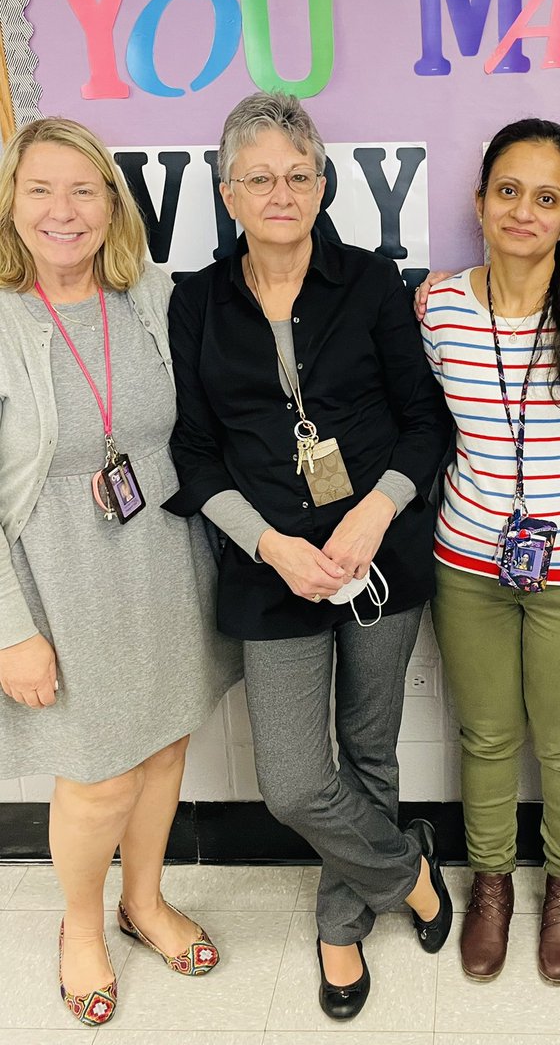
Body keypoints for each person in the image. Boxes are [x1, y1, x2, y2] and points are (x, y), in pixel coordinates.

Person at [163, 91, 453, 1021]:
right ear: (227, 191)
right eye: (258, 177)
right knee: (292, 780)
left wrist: (373, 515)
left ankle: (340, 921)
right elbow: (195, 452)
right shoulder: (197, 301)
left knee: (368, 747)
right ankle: (406, 872)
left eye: (298, 174)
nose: (280, 191)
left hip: (382, 559)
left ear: (323, 185)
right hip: (271, 570)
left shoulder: (372, 283)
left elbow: (425, 425)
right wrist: (271, 545)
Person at [0, 117, 242, 1027]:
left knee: (166, 743)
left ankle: (144, 903)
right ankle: (81, 927)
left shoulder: (151, 295)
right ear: (12, 204)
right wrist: (9, 630)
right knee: (98, 774)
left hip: (160, 560)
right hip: (57, 580)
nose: (63, 211)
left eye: (84, 190)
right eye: (40, 190)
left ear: (113, 202)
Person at [420, 119, 560, 984]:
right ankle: (493, 887)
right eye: (509, 191)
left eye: (547, 198)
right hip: (468, 559)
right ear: (479, 201)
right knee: (488, 734)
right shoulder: (437, 307)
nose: (523, 211)